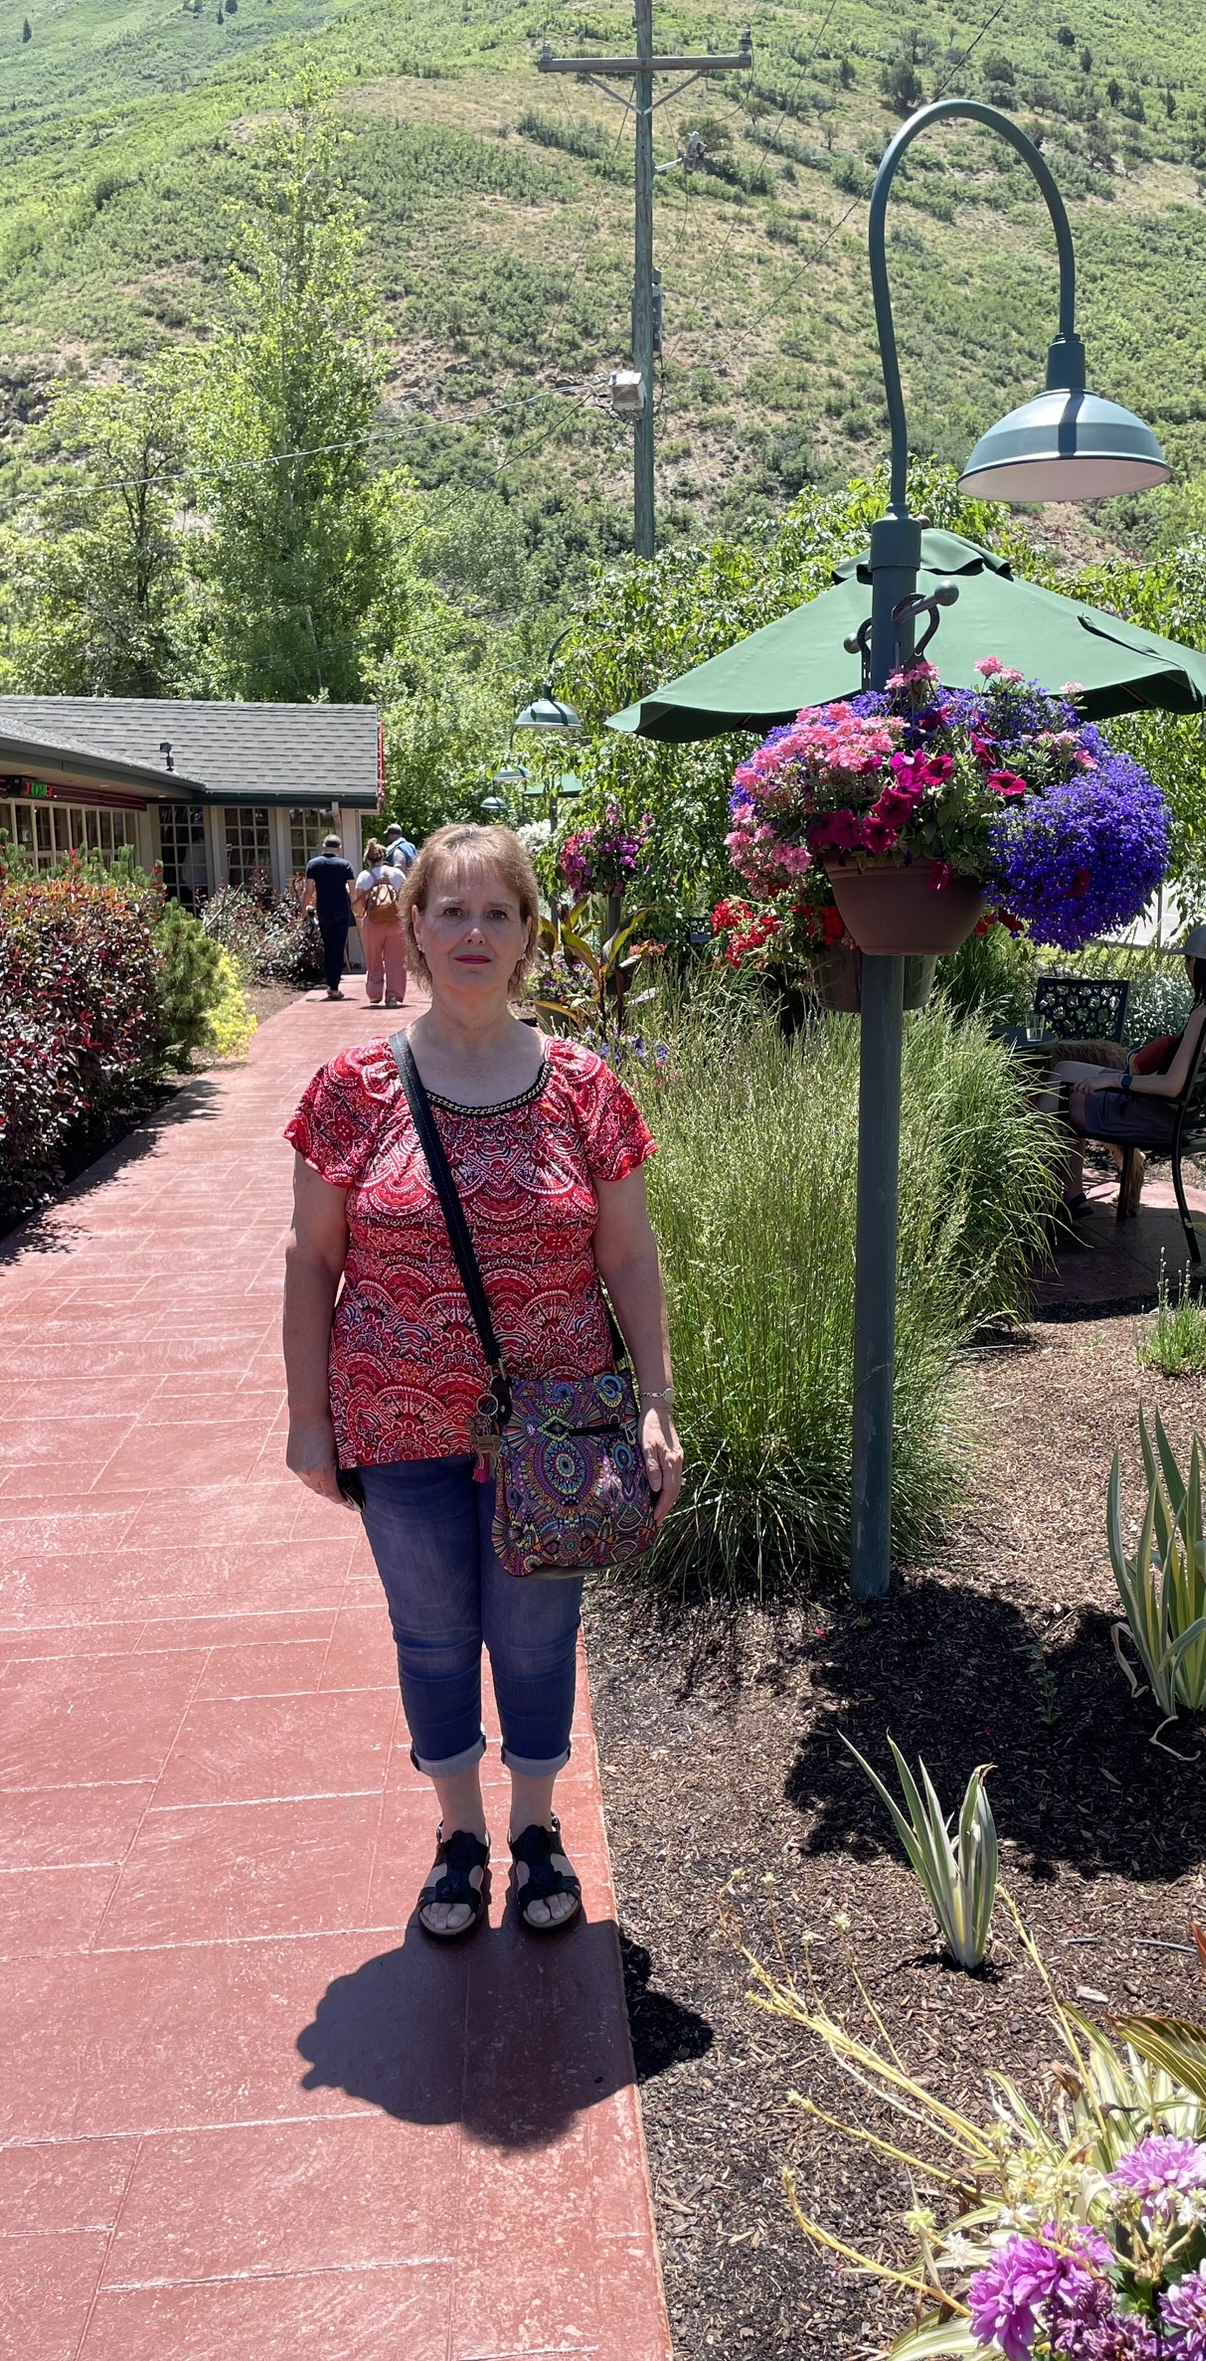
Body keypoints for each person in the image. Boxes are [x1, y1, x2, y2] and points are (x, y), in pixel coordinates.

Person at [282, 822, 683, 1942]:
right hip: (394, 1417)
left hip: (559, 1425)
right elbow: (310, 1259)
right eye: (449, 910)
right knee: (432, 1635)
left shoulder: (585, 1088)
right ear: (409, 927)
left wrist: (656, 1403)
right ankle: (459, 1836)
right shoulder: (351, 1089)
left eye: (494, 912)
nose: (471, 931)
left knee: (538, 1637)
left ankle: (536, 1828)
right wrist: (308, 1418)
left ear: (525, 936)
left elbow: (630, 1255)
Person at [1038, 921, 1206, 1212]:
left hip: (1162, 1118)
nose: (1186, 967)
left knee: (1067, 1101)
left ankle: (1036, 1178)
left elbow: (1171, 1085)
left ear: (1201, 964)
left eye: (1188, 959)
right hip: (1187, 1114)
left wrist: (1115, 1082)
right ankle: (1071, 1196)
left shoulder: (1204, 1015)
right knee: (1064, 1071)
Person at [352, 837, 407, 1008]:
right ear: (384, 857)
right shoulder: (397, 874)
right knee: (396, 960)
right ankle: (393, 996)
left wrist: (361, 915)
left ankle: (375, 993)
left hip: (373, 922)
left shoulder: (364, 876)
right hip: (395, 921)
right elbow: (405, 897)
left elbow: (360, 904)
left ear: (368, 859)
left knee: (373, 958)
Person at [302, 833, 357, 1000]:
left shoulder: (314, 864)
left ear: (324, 846)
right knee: (338, 947)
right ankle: (334, 986)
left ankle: (330, 984)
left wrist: (303, 909)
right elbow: (353, 892)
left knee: (328, 947)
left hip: (324, 911)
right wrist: (358, 910)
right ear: (339, 848)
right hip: (341, 911)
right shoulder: (345, 865)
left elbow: (309, 890)